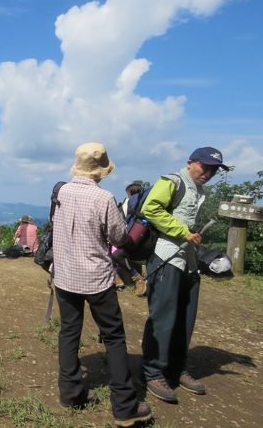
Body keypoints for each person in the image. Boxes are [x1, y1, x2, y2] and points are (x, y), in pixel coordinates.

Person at [51, 142, 151, 427]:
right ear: (102, 170)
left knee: (69, 331)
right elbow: (120, 238)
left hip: (66, 277)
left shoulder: (61, 191)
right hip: (96, 279)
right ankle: (125, 407)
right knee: (114, 337)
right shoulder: (104, 198)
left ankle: (70, 393)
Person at [141, 147, 228, 404]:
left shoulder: (199, 190)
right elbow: (151, 209)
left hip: (189, 262)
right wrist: (182, 231)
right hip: (167, 256)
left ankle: (177, 368)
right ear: (190, 162)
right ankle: (152, 372)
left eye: (214, 169)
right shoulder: (173, 182)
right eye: (205, 166)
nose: (209, 173)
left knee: (185, 317)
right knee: (163, 316)